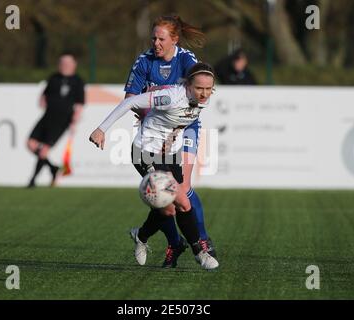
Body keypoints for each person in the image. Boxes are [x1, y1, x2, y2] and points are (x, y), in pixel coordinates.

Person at [89, 62, 219, 270]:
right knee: (183, 203)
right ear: (187, 85)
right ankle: (199, 252)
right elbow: (129, 103)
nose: (204, 93)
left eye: (208, 89)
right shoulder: (171, 97)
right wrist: (101, 129)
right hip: (145, 152)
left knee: (168, 210)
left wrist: (171, 139)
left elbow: (179, 120)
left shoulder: (202, 100)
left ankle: (140, 236)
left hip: (170, 154)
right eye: (199, 88)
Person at [124, 14, 216, 268]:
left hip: (184, 128)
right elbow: (131, 97)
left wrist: (172, 128)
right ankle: (175, 243)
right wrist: (150, 117)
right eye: (153, 37)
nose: (155, 42)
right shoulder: (144, 61)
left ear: (174, 39)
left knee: (181, 188)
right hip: (155, 134)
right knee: (163, 195)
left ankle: (202, 242)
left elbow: (197, 94)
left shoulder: (186, 60)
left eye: (160, 38)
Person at [27, 52, 85, 187]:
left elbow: (80, 104)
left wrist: (74, 122)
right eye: (62, 63)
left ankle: (32, 180)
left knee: (43, 151)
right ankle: (53, 168)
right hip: (47, 116)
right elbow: (45, 94)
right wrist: (42, 101)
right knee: (30, 144)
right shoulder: (54, 77)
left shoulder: (78, 81)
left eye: (67, 63)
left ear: (74, 65)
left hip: (62, 120)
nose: (64, 66)